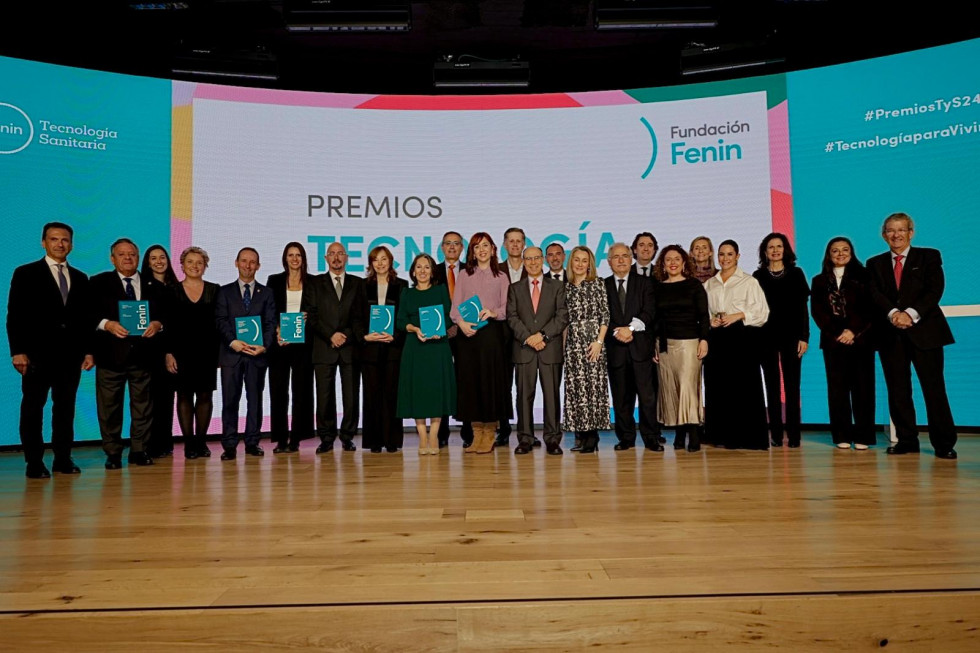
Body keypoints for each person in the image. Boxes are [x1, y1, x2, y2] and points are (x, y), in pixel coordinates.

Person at [7, 222, 94, 478]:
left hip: (70, 356)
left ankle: (62, 459)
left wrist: (88, 351)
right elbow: (16, 315)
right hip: (36, 356)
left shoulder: (80, 277)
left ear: (72, 244)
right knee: (33, 408)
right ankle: (34, 462)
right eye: (54, 239)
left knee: (65, 410)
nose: (60, 244)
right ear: (43, 242)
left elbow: (85, 319)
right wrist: (18, 350)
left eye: (65, 240)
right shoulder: (25, 273)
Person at [867, 212, 957, 459]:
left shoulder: (928, 256)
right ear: (884, 235)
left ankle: (944, 443)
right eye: (890, 231)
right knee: (898, 390)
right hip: (890, 334)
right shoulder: (874, 264)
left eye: (901, 230)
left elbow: (934, 289)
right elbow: (875, 294)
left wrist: (910, 314)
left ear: (911, 233)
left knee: (934, 389)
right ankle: (907, 440)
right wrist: (895, 314)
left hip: (925, 333)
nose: (895, 235)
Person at [90, 238, 166, 469]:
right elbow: (86, 315)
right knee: (109, 408)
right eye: (122, 254)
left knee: (143, 407)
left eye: (132, 254)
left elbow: (167, 315)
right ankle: (113, 452)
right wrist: (107, 324)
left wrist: (157, 324)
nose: (127, 258)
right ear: (112, 259)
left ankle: (139, 450)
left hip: (143, 357)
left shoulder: (154, 284)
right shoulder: (97, 283)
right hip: (110, 356)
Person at [703, 240, 770, 450]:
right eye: (721, 254)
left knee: (743, 387)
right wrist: (710, 321)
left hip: (741, 338)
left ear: (738, 256)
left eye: (729, 254)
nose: (725, 258)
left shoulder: (749, 282)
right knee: (718, 386)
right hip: (717, 339)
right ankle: (720, 435)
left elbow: (762, 313)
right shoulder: (709, 284)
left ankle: (745, 437)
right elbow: (702, 313)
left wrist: (739, 315)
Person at [450, 232, 512, 453]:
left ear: (494, 249)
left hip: (491, 335)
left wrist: (492, 312)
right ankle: (476, 434)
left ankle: (489, 434)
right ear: (472, 252)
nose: (482, 250)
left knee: (490, 384)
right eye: (477, 247)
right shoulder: (464, 275)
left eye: (486, 245)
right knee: (471, 385)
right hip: (468, 337)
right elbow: (455, 307)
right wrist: (462, 324)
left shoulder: (502, 277)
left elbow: (506, 309)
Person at [811, 237, 875, 450]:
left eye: (844, 250)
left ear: (852, 252)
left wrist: (852, 331)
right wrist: (838, 333)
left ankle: (864, 436)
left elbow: (869, 308)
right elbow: (818, 312)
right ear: (828, 255)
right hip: (833, 341)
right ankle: (841, 435)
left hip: (861, 339)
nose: (840, 254)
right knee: (837, 390)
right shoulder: (819, 280)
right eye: (835, 251)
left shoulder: (864, 276)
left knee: (863, 389)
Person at [302, 241, 366, 453]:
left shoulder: (358, 283)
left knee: (351, 396)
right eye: (332, 254)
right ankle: (326, 438)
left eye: (340, 254)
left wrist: (345, 335)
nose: (336, 257)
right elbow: (310, 316)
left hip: (349, 348)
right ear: (326, 258)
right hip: (323, 346)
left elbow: (360, 317)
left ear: (346, 257)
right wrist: (330, 335)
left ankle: (348, 436)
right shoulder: (314, 284)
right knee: (324, 396)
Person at [215, 247, 277, 460]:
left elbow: (270, 323)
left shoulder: (266, 293)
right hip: (232, 355)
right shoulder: (223, 292)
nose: (248, 265)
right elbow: (221, 321)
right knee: (230, 401)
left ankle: (252, 442)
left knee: (255, 401)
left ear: (258, 266)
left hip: (257, 355)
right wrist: (233, 342)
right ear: (236, 263)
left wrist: (265, 346)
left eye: (252, 262)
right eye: (244, 261)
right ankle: (229, 445)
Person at [507, 247, 569, 455]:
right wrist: (528, 338)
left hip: (549, 348)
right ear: (523, 261)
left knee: (552, 396)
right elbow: (512, 317)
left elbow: (562, 316)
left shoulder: (558, 286)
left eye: (536, 258)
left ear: (542, 260)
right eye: (528, 259)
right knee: (524, 396)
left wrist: (542, 336)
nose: (533, 262)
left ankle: (552, 439)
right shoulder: (515, 288)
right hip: (524, 350)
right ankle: (525, 438)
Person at [604, 242, 663, 452]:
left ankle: (651, 437)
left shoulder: (645, 283)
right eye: (616, 257)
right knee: (621, 398)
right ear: (609, 262)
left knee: (647, 397)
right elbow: (602, 317)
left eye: (625, 256)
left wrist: (629, 329)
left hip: (640, 348)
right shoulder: (604, 285)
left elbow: (649, 312)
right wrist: (616, 331)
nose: (621, 260)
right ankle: (626, 437)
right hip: (616, 349)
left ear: (631, 259)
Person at [753, 233, 810, 448]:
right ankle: (776, 434)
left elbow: (803, 309)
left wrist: (804, 337)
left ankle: (794, 435)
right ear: (764, 252)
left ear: (785, 250)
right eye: (771, 247)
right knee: (772, 386)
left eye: (779, 246)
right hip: (765, 337)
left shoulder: (796, 274)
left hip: (792, 337)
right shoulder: (758, 276)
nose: (775, 250)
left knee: (793, 387)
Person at [396, 253, 456, 455]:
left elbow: (449, 317)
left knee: (436, 391)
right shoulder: (407, 293)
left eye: (427, 267)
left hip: (438, 347)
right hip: (415, 347)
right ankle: (422, 436)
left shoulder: (441, 290)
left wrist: (437, 330)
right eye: (419, 267)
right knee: (418, 391)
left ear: (432, 272)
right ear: (413, 271)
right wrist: (414, 328)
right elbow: (400, 320)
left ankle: (434, 436)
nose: (422, 271)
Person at [164, 246, 220, 459]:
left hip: (208, 352)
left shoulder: (215, 290)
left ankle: (201, 441)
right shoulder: (172, 291)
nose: (195, 266)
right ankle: (188, 444)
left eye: (199, 262)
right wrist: (168, 353)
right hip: (181, 353)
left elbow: (220, 323)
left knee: (205, 396)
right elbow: (167, 324)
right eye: (190, 262)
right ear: (182, 265)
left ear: (205, 266)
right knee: (184, 396)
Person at [653, 245, 709, 452]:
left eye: (677, 259)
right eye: (668, 260)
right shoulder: (657, 287)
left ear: (684, 262)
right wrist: (654, 345)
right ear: (663, 264)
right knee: (672, 389)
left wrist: (704, 339)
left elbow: (704, 315)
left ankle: (693, 433)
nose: (673, 263)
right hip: (666, 343)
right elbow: (655, 320)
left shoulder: (694, 285)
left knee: (687, 388)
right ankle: (679, 433)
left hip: (690, 343)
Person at [265, 242, 315, 454]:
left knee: (301, 392)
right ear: (285, 258)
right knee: (278, 392)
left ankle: (296, 438)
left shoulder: (313, 283)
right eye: (290, 255)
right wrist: (276, 329)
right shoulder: (274, 280)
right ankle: (281, 438)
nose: (294, 259)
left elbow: (317, 310)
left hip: (303, 345)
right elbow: (268, 309)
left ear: (303, 259)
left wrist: (308, 317)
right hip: (279, 344)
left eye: (298, 255)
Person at [560, 246, 611, 454]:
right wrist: (564, 349)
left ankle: (593, 437)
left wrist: (599, 342)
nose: (580, 264)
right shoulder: (565, 288)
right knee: (577, 391)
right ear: (571, 263)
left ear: (590, 264)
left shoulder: (598, 284)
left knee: (593, 389)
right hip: (573, 343)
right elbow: (564, 321)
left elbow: (605, 315)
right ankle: (581, 435)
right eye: (576, 260)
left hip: (593, 342)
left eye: (584, 260)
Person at [362, 245, 408, 453]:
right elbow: (357, 317)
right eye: (376, 260)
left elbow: (405, 316)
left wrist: (396, 336)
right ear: (371, 264)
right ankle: (374, 441)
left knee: (391, 395)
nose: (380, 263)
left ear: (390, 261)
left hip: (392, 349)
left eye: (384, 259)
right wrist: (365, 335)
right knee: (372, 396)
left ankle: (391, 440)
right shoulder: (363, 286)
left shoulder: (402, 285)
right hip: (370, 349)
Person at [432, 231, 472, 448]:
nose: (452, 247)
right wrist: (446, 327)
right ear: (441, 247)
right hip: (440, 334)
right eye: (448, 243)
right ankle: (442, 432)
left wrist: (459, 325)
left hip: (466, 333)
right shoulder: (433, 271)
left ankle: (468, 431)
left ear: (462, 248)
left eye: (456, 243)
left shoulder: (471, 270)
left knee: (465, 381)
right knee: (442, 382)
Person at [141, 244, 180, 458]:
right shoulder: (143, 287)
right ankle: (151, 443)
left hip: (173, 350)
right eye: (153, 258)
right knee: (151, 400)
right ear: (147, 262)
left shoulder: (175, 286)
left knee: (167, 399)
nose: (158, 261)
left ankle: (166, 442)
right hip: (153, 351)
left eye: (162, 257)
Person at [497, 227, 528, 446]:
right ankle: (504, 430)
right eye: (511, 241)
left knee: (526, 387)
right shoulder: (495, 270)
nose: (515, 245)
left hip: (528, 337)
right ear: (505, 245)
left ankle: (527, 431)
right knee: (503, 386)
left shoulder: (534, 268)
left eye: (519, 241)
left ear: (524, 244)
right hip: (501, 337)